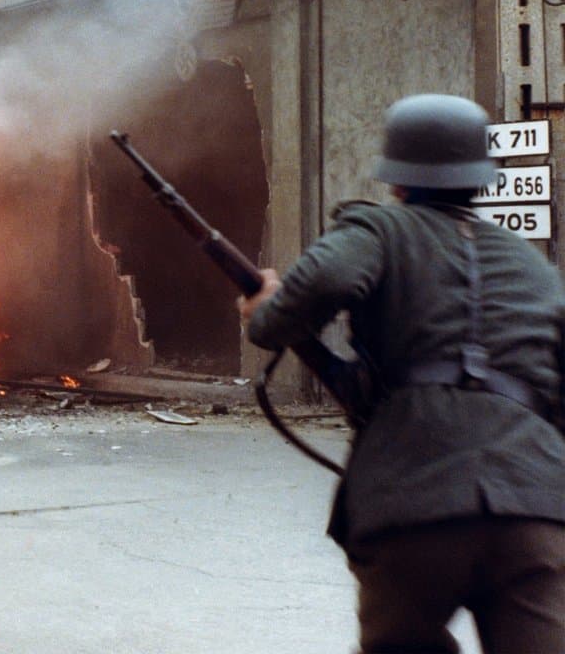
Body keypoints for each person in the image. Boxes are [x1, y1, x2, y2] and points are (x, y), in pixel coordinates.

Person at [238, 94, 565, 652]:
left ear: (397, 180)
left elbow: (319, 286)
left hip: (416, 503)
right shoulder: (533, 265)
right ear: (478, 179)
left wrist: (267, 310)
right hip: (533, 508)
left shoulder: (379, 229)